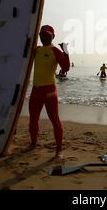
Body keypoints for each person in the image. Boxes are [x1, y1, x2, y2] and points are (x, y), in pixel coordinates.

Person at [26, 25, 70, 159]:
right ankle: (33, 143)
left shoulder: (55, 51)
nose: (44, 37)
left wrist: (66, 51)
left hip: (50, 90)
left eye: (47, 35)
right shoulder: (36, 50)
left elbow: (66, 67)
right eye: (42, 34)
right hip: (36, 90)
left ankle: (59, 149)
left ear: (53, 36)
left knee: (54, 120)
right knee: (33, 119)